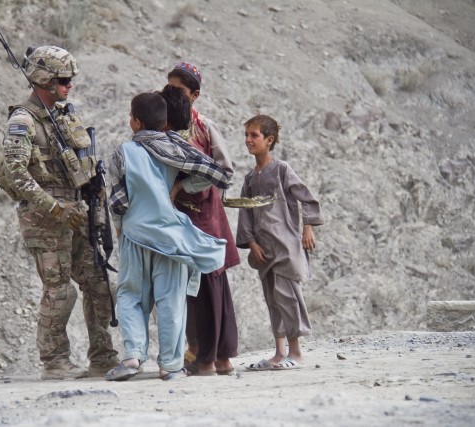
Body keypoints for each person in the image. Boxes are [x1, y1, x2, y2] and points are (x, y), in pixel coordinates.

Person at [0, 46, 119, 379]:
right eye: (64, 80)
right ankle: (55, 361)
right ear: (45, 79)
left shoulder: (65, 115)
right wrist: (54, 207)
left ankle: (103, 356)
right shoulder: (22, 121)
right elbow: (16, 174)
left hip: (77, 212)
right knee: (60, 290)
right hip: (45, 218)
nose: (69, 86)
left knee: (98, 283)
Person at [105, 92, 232, 381]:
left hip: (135, 235)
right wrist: (182, 186)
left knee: (130, 296)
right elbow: (219, 176)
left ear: (135, 122)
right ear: (163, 122)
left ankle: (132, 357)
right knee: (171, 301)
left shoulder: (122, 152)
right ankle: (171, 366)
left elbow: (118, 202)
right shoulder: (178, 147)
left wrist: (119, 226)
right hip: (170, 238)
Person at [167, 63, 240, 376]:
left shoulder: (203, 126)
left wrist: (183, 186)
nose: (171, 94)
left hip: (204, 214)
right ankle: (210, 355)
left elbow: (224, 171)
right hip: (182, 216)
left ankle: (210, 358)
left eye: (179, 91)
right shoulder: (167, 125)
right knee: (194, 287)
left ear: (194, 95)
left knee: (210, 285)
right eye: (168, 88)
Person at [236, 114, 324, 371]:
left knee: (288, 297)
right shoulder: (250, 178)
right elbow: (245, 214)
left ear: (269, 140)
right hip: (264, 250)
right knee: (272, 298)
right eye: (246, 135)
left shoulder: (282, 169)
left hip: (285, 246)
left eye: (254, 135)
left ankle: (296, 354)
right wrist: (251, 244)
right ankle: (278, 353)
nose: (248, 140)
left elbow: (306, 198)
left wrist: (307, 228)